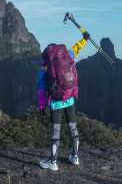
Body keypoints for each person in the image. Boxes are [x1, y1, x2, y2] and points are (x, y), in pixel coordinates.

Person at [38, 31, 90, 171]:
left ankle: (53, 162)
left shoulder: (45, 65)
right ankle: (75, 157)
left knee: (56, 130)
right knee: (73, 127)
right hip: (70, 98)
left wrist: (42, 106)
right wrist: (84, 39)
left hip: (56, 102)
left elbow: (41, 87)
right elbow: (76, 48)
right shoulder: (67, 56)